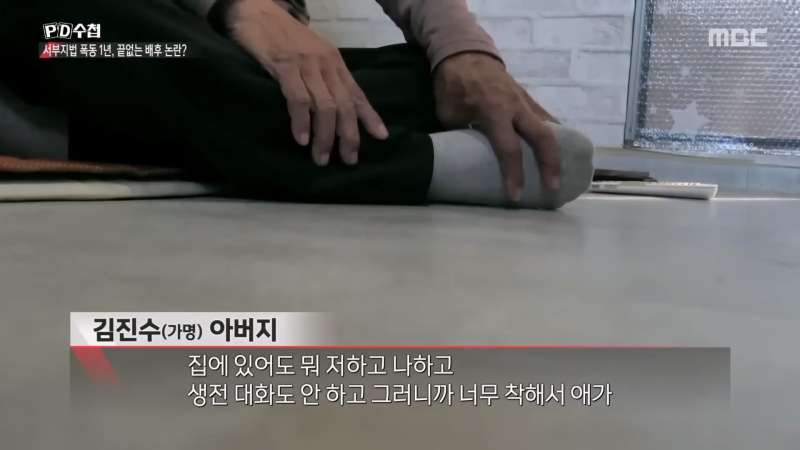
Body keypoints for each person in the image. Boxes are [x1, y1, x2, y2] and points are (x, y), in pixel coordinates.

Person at [1, 0, 594, 209]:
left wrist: (462, 52)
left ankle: (252, 123)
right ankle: (416, 163)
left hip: (222, 67)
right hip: (95, 43)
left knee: (418, 73)